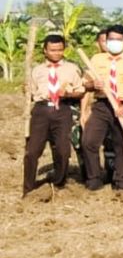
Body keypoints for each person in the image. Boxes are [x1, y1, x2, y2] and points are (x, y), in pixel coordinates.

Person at [83, 24, 123, 192]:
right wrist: (93, 84)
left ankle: (121, 181)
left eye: (118, 39)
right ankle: (94, 178)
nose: (114, 42)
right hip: (102, 105)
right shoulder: (97, 59)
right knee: (89, 141)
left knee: (121, 145)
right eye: (111, 39)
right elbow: (85, 83)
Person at [23, 32, 85, 196]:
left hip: (62, 110)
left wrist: (68, 94)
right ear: (45, 50)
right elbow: (31, 94)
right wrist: (26, 91)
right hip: (41, 111)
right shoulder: (36, 70)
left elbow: (80, 91)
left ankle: (58, 182)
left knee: (63, 150)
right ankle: (28, 188)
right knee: (32, 151)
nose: (56, 53)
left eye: (60, 50)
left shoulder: (72, 69)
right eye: (52, 50)